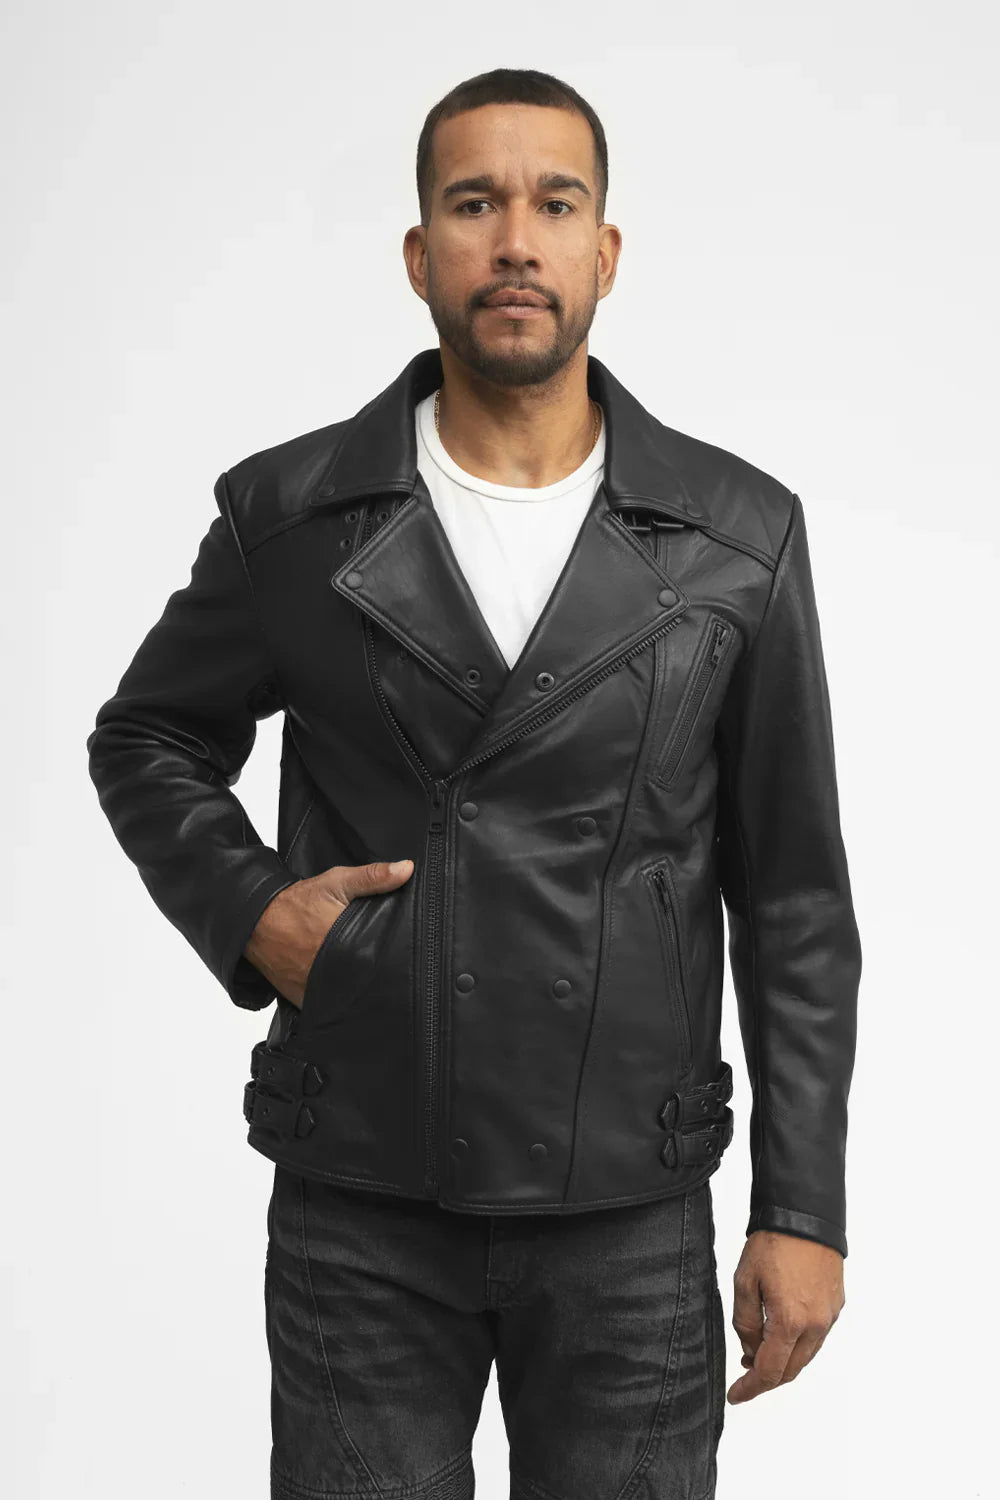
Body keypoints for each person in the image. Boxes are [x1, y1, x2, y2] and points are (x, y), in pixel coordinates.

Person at [87, 67, 862, 1500]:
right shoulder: (291, 517)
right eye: (473, 203)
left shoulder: (736, 535)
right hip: (363, 1196)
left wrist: (803, 1206)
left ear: (605, 252)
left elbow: (797, 897)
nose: (515, 240)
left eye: (554, 205)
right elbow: (146, 736)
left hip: (631, 1207)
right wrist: (253, 914)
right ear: (418, 254)